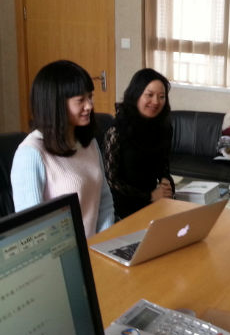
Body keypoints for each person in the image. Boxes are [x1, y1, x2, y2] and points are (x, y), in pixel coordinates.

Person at [11, 60, 114, 238]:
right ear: (56, 104)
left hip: (96, 247)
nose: (89, 106)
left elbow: (104, 200)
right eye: (80, 100)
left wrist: (105, 242)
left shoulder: (88, 142)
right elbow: (32, 230)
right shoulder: (30, 153)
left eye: (90, 97)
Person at [103, 68, 175, 219]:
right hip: (124, 209)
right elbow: (111, 180)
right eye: (149, 95)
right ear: (136, 94)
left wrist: (165, 181)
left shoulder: (164, 127)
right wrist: (150, 196)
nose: (156, 102)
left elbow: (163, 165)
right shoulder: (116, 131)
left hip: (154, 203)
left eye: (161, 97)